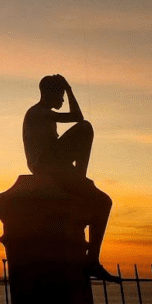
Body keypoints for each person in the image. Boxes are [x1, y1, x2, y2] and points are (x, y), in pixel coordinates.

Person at [23, 75, 119, 282]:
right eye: (61, 95)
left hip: (54, 165)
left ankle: (92, 259)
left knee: (103, 202)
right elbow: (78, 116)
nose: (63, 99)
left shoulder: (43, 114)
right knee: (86, 127)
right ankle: (91, 260)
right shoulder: (38, 113)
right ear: (50, 93)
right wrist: (69, 87)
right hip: (47, 166)